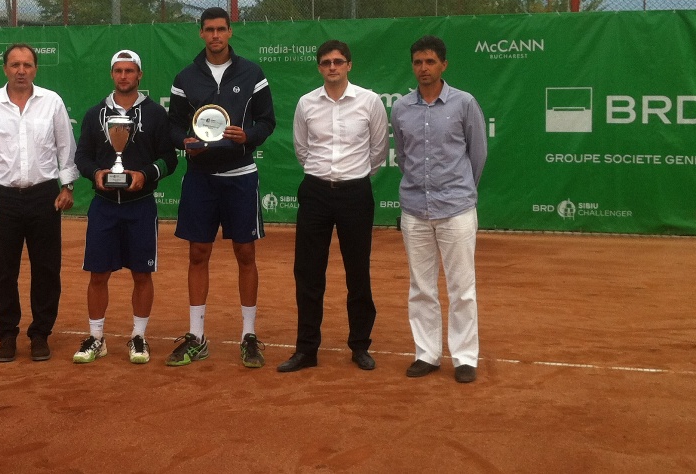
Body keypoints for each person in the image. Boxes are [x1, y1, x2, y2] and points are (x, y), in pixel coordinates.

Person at [166, 6, 276, 368]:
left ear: (230, 32)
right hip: (200, 179)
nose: (215, 35)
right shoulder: (185, 77)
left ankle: (248, 335)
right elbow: (173, 126)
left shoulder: (252, 73)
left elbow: (267, 121)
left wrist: (249, 136)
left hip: (241, 176)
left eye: (220, 29)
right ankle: (197, 336)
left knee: (246, 255)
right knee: (198, 254)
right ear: (201, 33)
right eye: (209, 30)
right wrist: (183, 142)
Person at [277, 40, 389, 373]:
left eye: (338, 61)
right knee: (308, 274)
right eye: (326, 62)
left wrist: (351, 177)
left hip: (356, 194)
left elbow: (378, 151)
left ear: (349, 65)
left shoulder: (370, 102)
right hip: (315, 193)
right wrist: (324, 177)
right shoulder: (306, 103)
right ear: (319, 67)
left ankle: (360, 346)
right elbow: (302, 149)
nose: (332, 67)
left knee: (358, 271)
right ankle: (306, 349)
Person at [0, 43, 79, 363]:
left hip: (45, 197)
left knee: (46, 270)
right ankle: (6, 335)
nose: (21, 70)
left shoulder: (52, 102)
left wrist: (67, 185)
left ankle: (40, 333)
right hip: (2, 199)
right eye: (15, 64)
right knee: (4, 271)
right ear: (5, 69)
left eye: (27, 65)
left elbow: (64, 147)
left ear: (35, 69)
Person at [391, 35, 487, 383]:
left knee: (462, 287)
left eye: (430, 62)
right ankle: (427, 354)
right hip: (415, 210)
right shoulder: (401, 108)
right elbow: (403, 157)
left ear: (443, 64)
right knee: (421, 286)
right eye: (418, 62)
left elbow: (477, 155)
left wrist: (459, 192)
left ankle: (464, 358)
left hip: (457, 210)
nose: (423, 68)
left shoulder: (464, 104)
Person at [71, 50, 177, 364]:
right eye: (118, 70)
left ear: (139, 75)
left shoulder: (156, 114)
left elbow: (169, 159)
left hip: (141, 206)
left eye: (130, 71)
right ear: (112, 74)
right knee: (98, 274)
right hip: (104, 205)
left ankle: (138, 337)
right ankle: (96, 337)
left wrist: (146, 174)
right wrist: (97, 173)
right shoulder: (94, 115)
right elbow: (82, 158)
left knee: (142, 274)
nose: (124, 76)